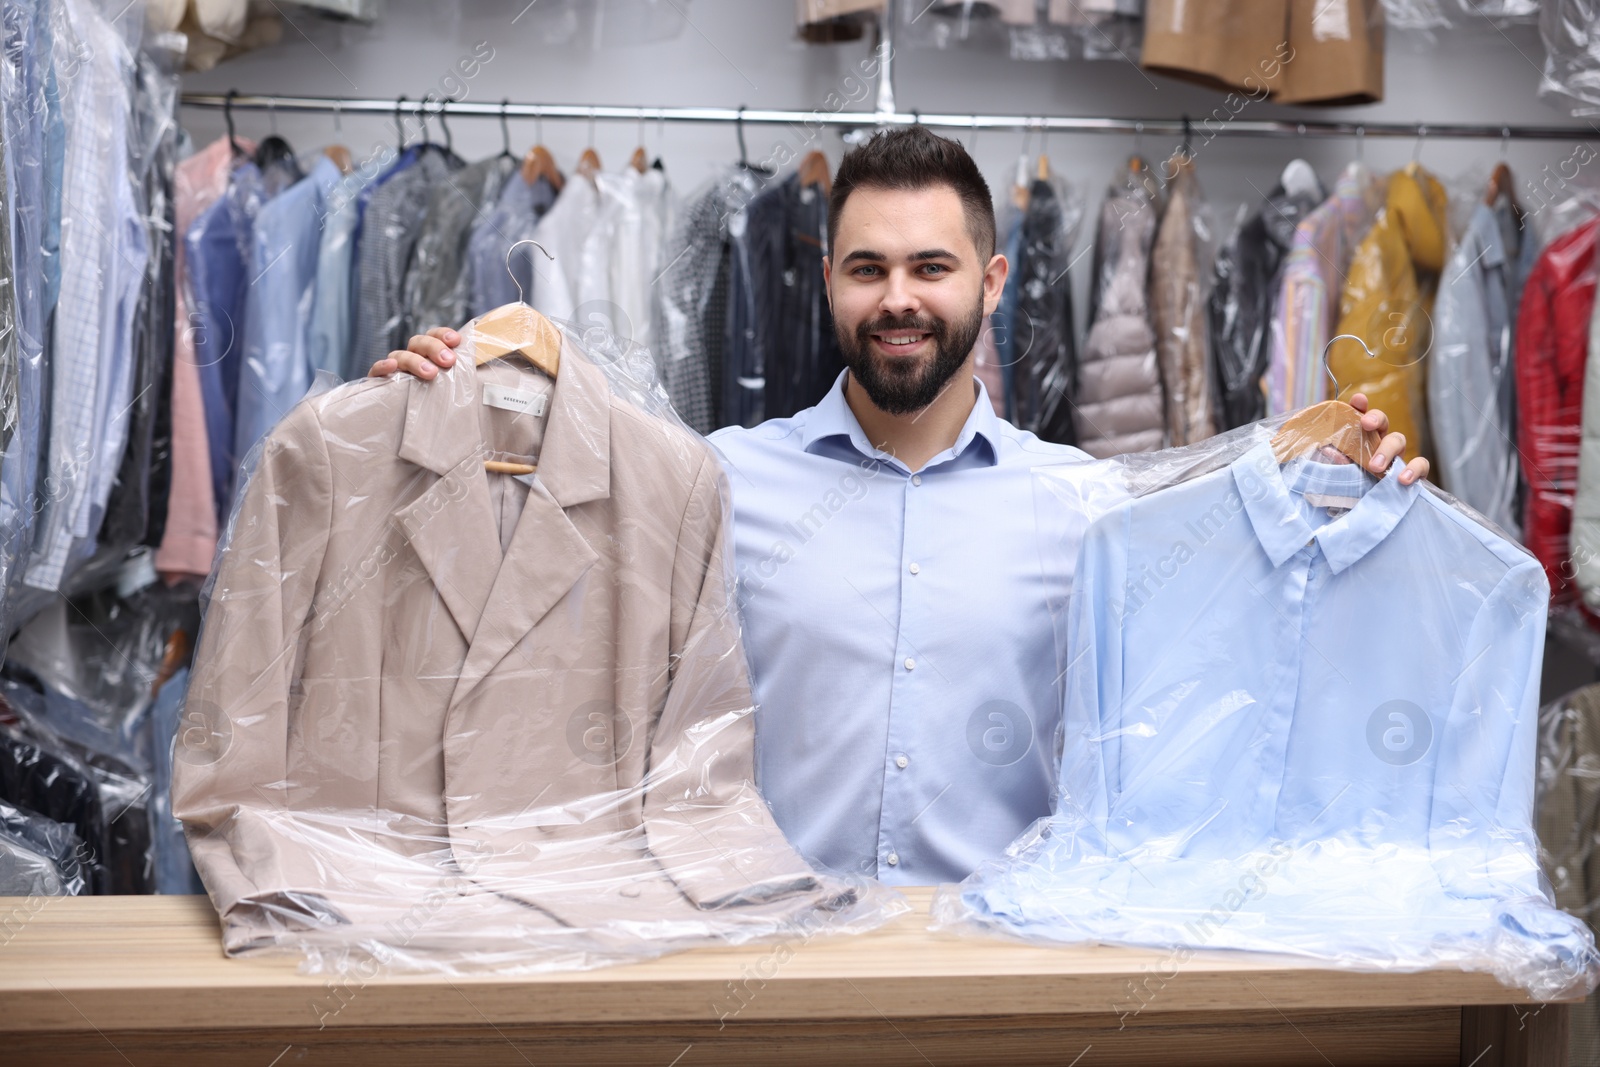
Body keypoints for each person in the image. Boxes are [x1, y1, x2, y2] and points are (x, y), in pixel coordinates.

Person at [370, 126, 1429, 886]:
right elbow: (535, 584)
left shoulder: (1088, 508)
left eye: (932, 266)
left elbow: (1251, 635)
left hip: (996, 990)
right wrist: (445, 423)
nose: (899, 298)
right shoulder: (712, 480)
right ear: (827, 278)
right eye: (868, 268)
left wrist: (1353, 494)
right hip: (762, 977)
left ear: (994, 278)